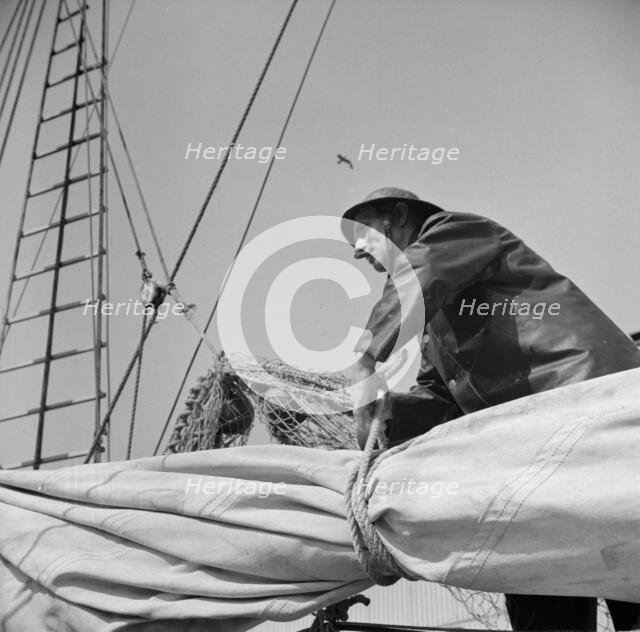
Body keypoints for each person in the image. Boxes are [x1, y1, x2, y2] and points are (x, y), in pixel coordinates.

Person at [343, 186, 640, 632]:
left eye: (364, 234)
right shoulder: (436, 331)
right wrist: (387, 413)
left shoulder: (457, 231)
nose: (358, 251)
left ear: (399, 217)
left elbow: (420, 277)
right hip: (533, 456)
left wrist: (366, 356)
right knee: (539, 580)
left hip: (587, 407)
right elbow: (443, 402)